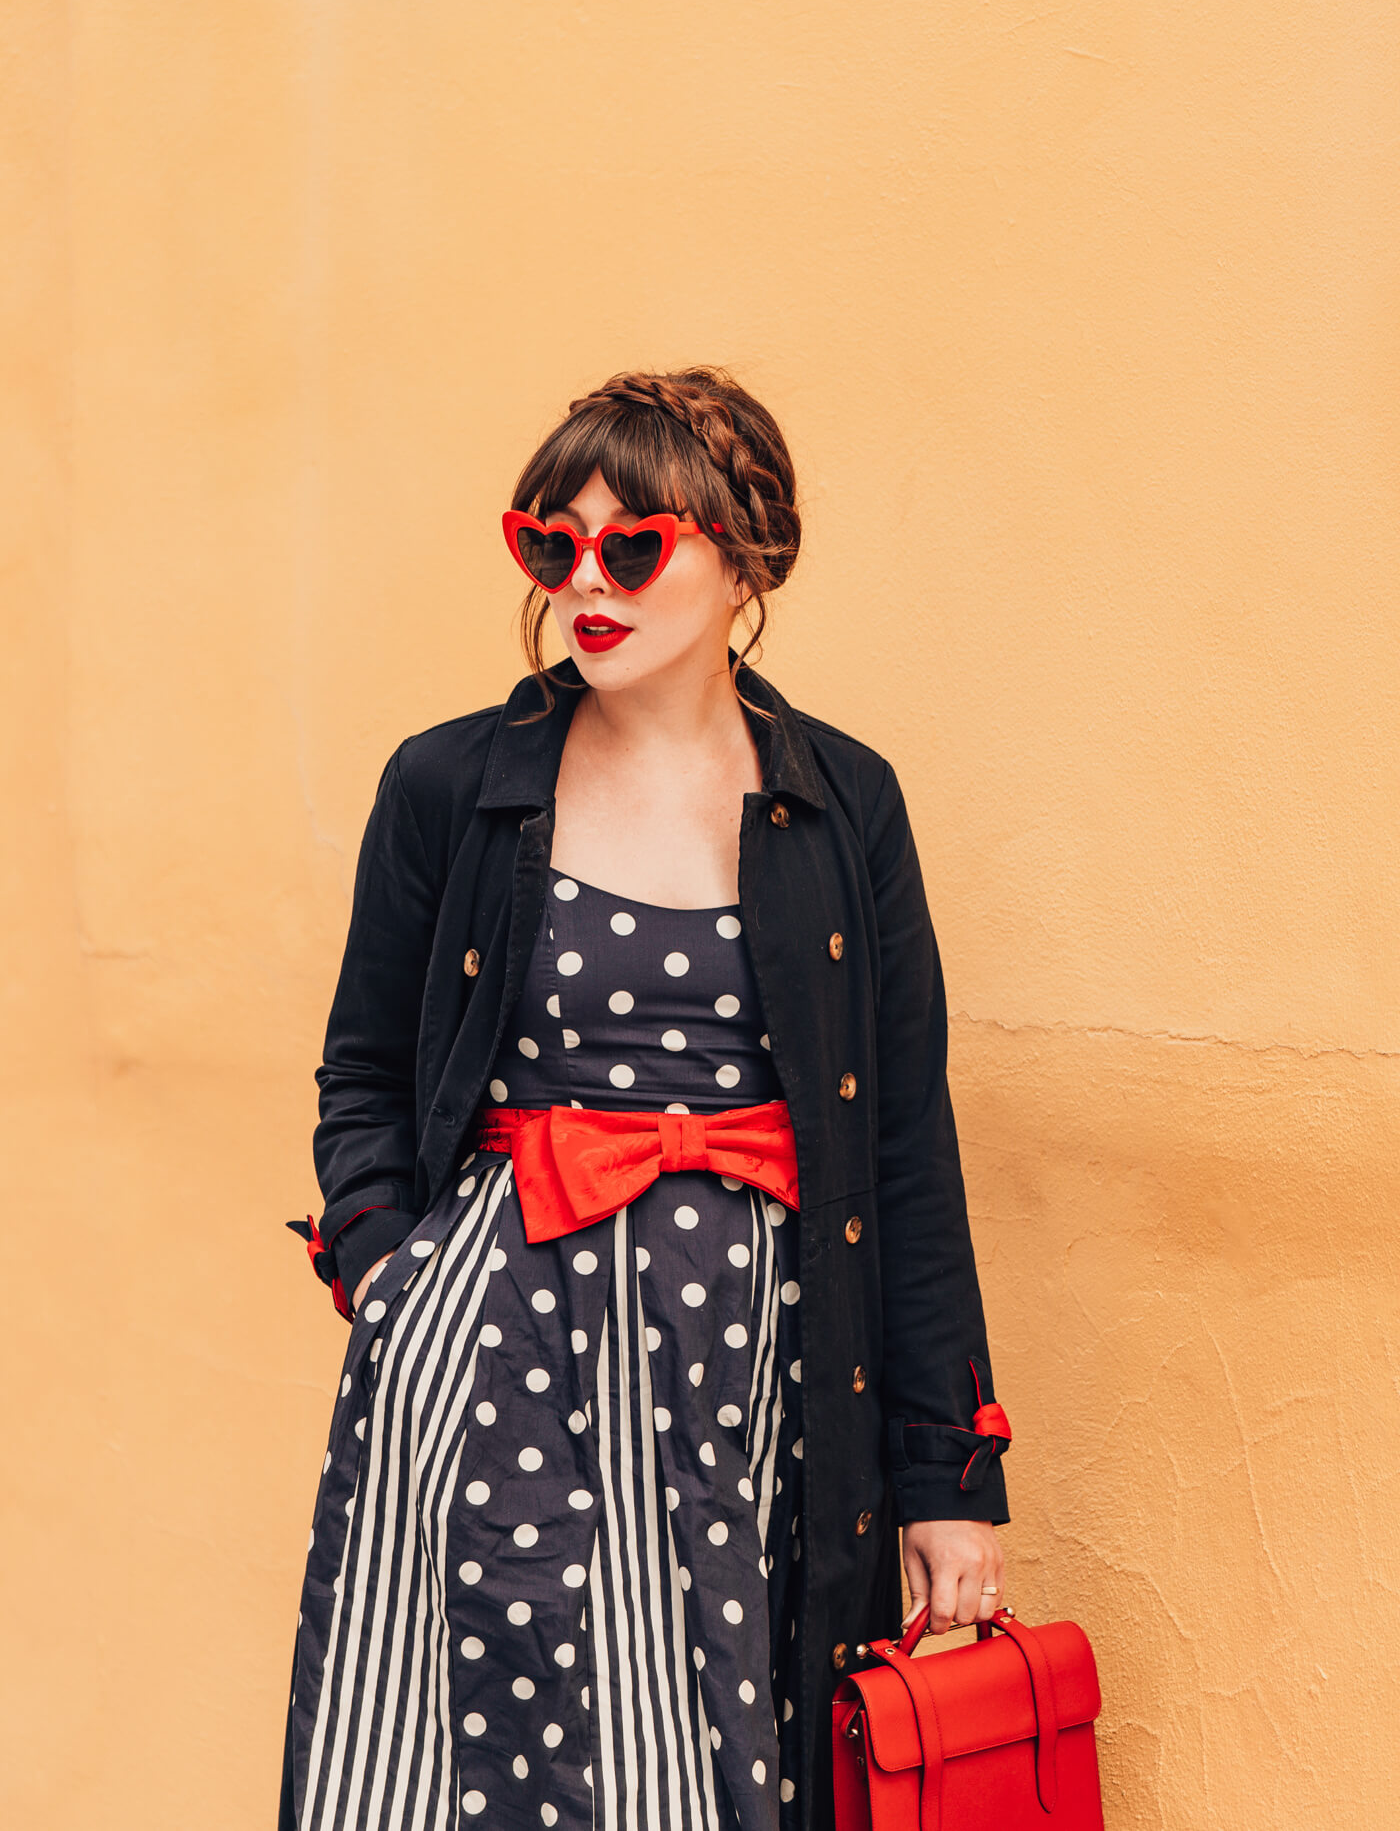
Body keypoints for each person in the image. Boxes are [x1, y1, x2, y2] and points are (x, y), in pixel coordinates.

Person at [280, 368, 1012, 1831]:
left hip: (752, 1389)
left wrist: (951, 1480)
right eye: (552, 546)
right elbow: (361, 1069)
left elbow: (904, 1153)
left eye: (634, 546)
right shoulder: (451, 786)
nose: (584, 586)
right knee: (491, 1770)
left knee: (718, 1771)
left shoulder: (842, 803)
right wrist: (395, 1273)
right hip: (494, 1359)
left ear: (746, 558)